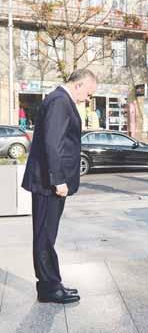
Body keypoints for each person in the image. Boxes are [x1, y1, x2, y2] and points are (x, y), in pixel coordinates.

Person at [22, 69, 97, 304]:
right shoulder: (59, 101)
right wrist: (58, 180)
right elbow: (52, 143)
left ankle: (51, 283)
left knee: (47, 235)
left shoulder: (60, 99)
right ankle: (49, 288)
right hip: (48, 183)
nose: (88, 98)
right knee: (44, 236)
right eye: (88, 92)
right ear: (79, 84)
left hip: (50, 181)